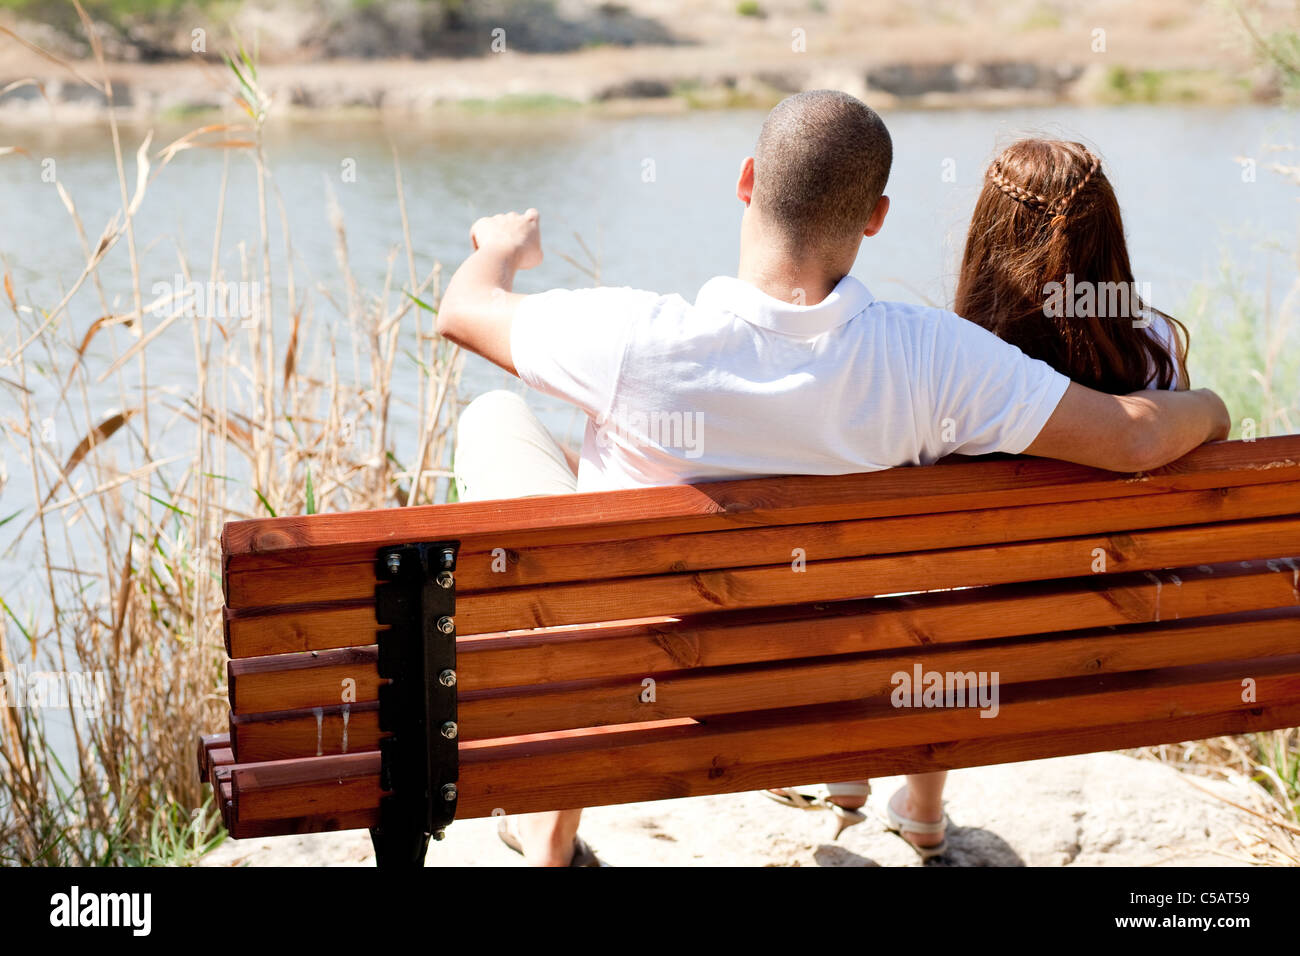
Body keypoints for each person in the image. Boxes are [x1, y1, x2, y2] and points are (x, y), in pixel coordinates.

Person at [437, 91, 1230, 866]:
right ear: (875, 217)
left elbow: (463, 310)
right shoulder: (935, 358)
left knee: (495, 421)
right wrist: (1213, 405)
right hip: (820, 683)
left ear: (747, 179)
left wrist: (502, 244)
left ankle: (547, 833)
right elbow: (1134, 439)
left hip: (632, 672)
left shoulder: (631, 339)